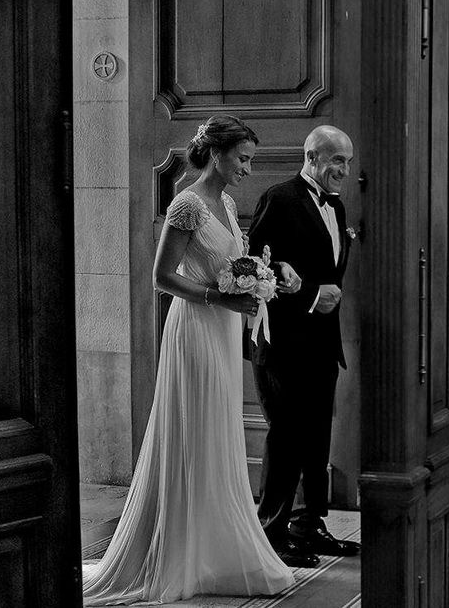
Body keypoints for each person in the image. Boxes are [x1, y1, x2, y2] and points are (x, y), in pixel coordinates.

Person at [82, 115, 296, 604]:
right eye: (242, 158)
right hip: (195, 328)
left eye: (250, 160)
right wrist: (220, 300)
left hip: (221, 330)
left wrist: (262, 278)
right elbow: (161, 277)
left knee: (218, 432)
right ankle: (182, 553)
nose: (246, 168)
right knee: (194, 429)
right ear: (216, 153)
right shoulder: (187, 203)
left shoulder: (224, 201)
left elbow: (230, 266)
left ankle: (215, 548)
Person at [246, 125, 361, 564]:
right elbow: (255, 267)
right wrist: (313, 293)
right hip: (283, 345)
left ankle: (309, 527)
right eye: (337, 161)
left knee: (316, 439)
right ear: (312, 156)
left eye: (347, 162)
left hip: (321, 346)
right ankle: (272, 536)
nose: (344, 171)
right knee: (287, 436)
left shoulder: (338, 204)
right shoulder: (279, 198)